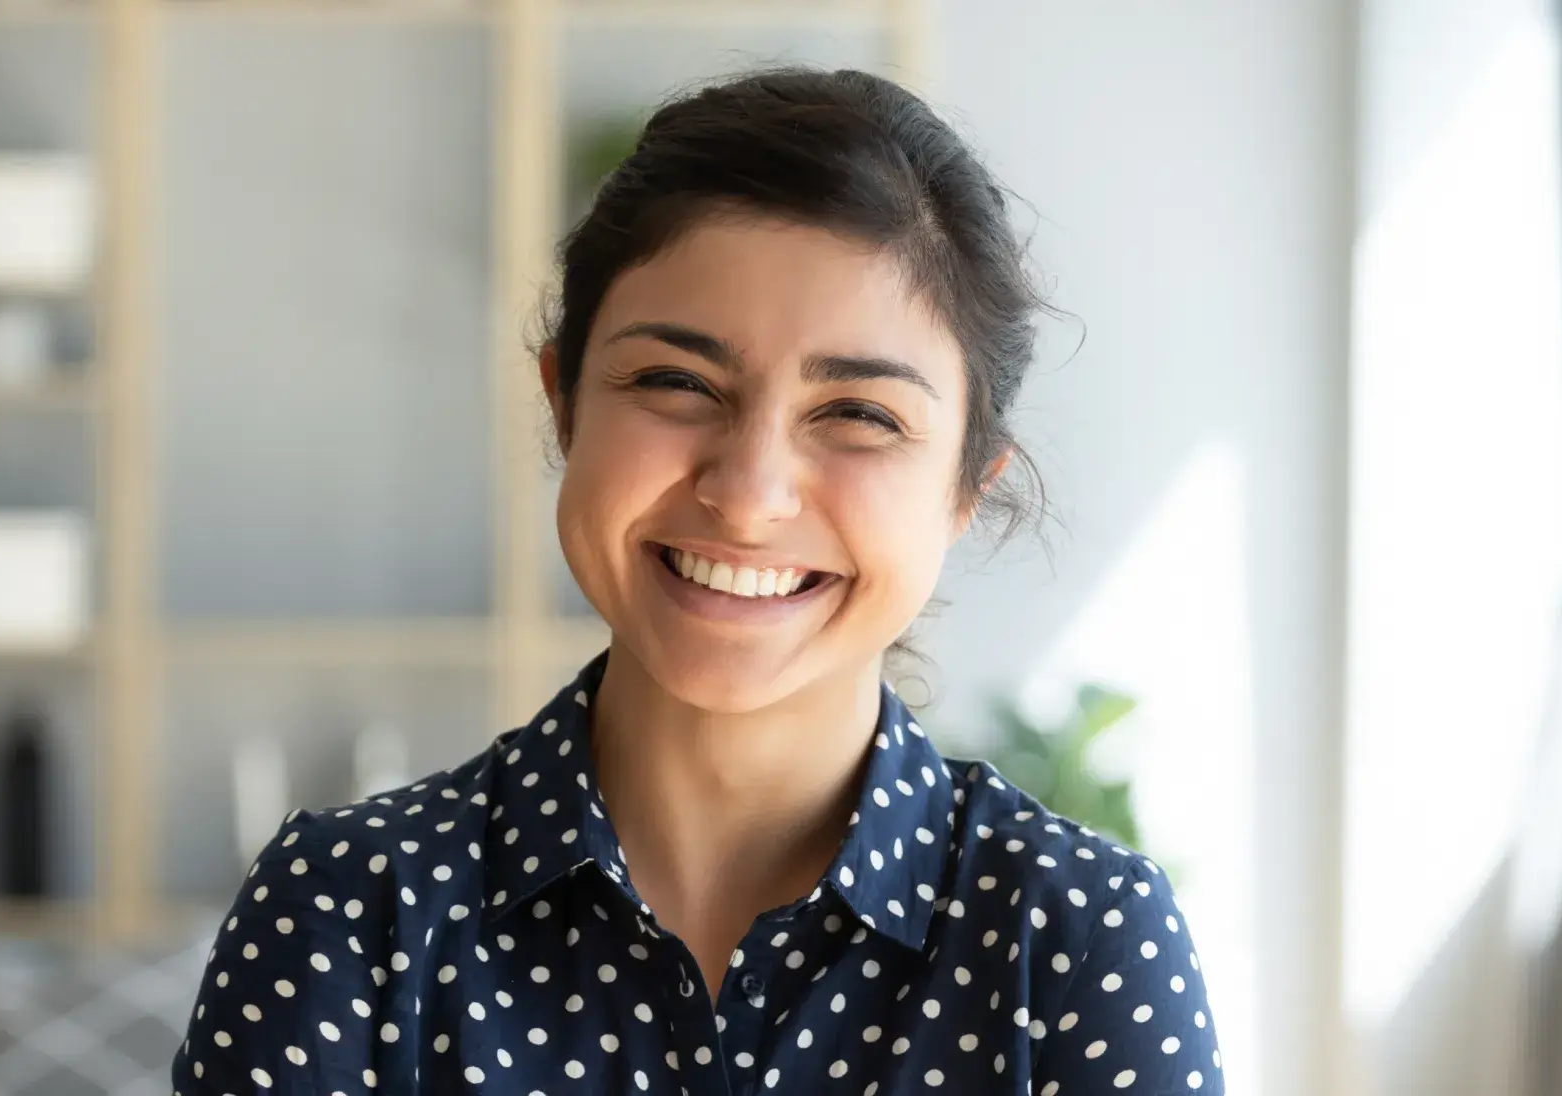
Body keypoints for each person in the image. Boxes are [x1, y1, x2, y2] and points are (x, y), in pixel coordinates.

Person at [172, 67, 1222, 1095]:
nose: (748, 494)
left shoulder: (1078, 943)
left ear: (965, 488)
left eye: (859, 414)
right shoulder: (347, 912)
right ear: (565, 404)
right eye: (676, 381)